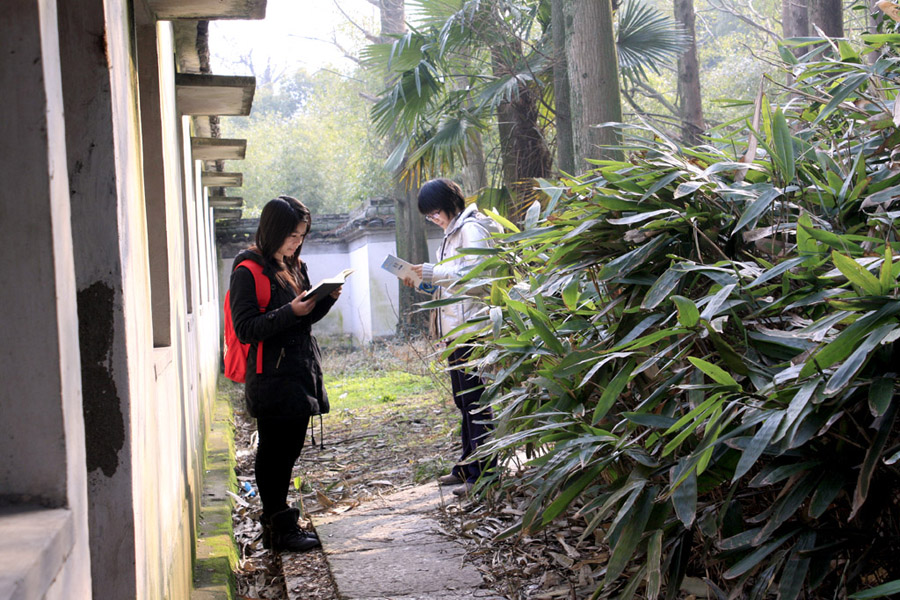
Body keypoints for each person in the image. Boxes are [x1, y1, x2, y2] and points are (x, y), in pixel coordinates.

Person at [229, 195, 341, 552]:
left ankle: (280, 523)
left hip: (299, 369)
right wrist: (291, 311)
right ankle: (279, 527)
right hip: (271, 377)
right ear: (273, 229)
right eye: (292, 235)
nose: (296, 242)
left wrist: (325, 300)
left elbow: (302, 319)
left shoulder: (294, 266)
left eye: (301, 236)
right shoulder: (248, 270)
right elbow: (246, 328)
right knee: (274, 453)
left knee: (289, 450)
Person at [404, 178, 499, 497]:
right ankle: (468, 466)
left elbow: (479, 280)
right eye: (429, 216)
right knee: (464, 401)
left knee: (475, 402)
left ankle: (485, 473)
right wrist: (422, 281)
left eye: (435, 213)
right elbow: (451, 285)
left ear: (450, 204)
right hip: (456, 332)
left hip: (473, 331)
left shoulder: (472, 229)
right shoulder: (452, 233)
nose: (434, 219)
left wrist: (432, 272)